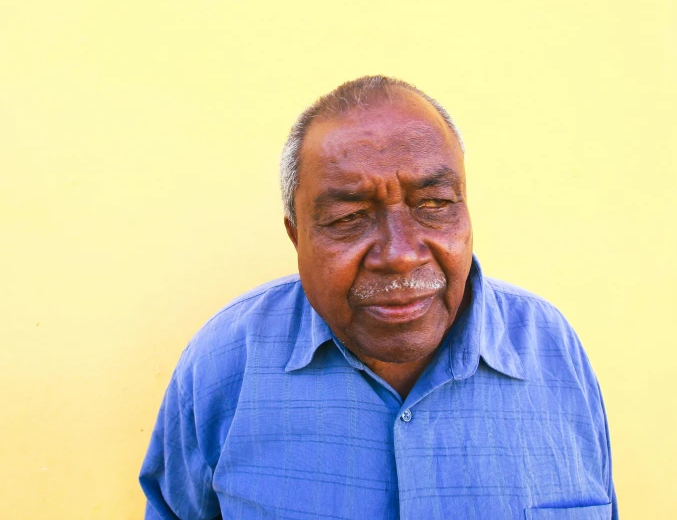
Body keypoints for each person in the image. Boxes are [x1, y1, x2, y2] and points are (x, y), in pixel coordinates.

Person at [140, 75, 618, 519]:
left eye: (434, 205)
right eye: (349, 218)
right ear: (296, 236)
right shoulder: (224, 362)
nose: (400, 255)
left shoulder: (553, 349)